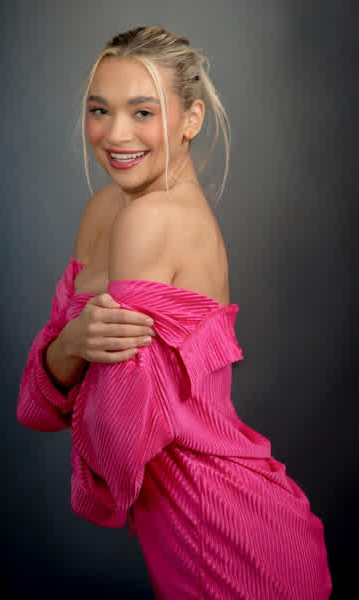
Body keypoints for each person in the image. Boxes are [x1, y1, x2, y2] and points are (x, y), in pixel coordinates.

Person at [17, 25, 332, 599]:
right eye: (100, 110)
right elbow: (33, 410)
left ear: (192, 119)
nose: (116, 134)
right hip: (204, 531)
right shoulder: (106, 210)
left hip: (226, 539)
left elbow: (115, 447)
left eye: (143, 112)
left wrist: (68, 361)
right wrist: (74, 346)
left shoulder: (152, 220)